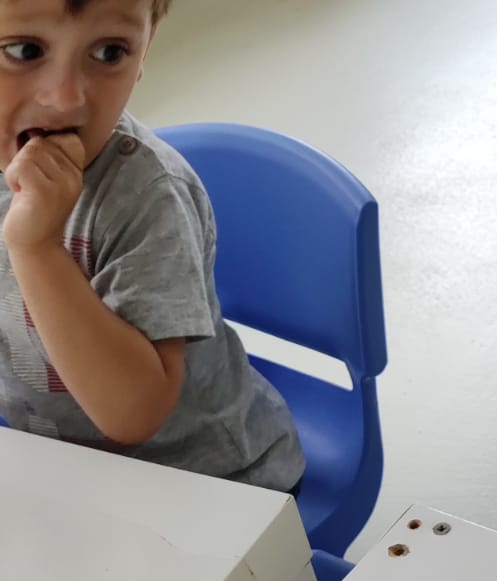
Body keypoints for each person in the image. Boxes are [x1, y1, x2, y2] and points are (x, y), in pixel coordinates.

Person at [0, 0, 304, 492]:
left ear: (144, 51)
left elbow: (133, 413)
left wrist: (35, 248)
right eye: (23, 50)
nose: (65, 98)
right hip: (63, 471)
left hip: (209, 483)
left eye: (109, 52)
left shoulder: (148, 197)